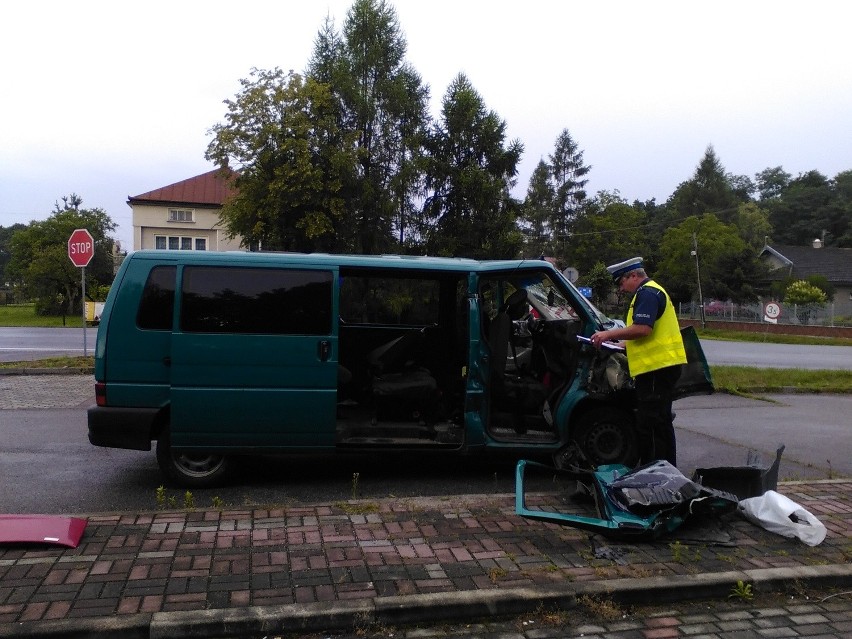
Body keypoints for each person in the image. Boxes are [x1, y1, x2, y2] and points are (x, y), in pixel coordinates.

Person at [590, 257, 686, 466]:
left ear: (633, 276)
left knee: (649, 425)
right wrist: (622, 344)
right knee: (660, 424)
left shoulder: (648, 293)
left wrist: (608, 335)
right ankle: (666, 470)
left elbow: (643, 328)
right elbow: (648, 333)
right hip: (660, 368)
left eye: (621, 282)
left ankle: (652, 472)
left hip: (656, 369)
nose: (621, 288)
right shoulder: (651, 291)